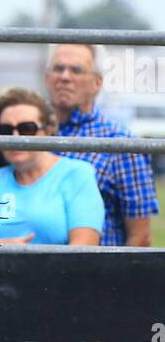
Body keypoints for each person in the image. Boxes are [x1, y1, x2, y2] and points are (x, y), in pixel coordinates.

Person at [46, 42, 158, 246]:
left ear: (97, 82)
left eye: (76, 70)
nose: (64, 76)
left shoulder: (120, 143)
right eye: (58, 68)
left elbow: (140, 236)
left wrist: (119, 277)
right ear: (47, 78)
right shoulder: (30, 132)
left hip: (96, 272)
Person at [0, 87, 104, 245]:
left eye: (27, 129)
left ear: (48, 130)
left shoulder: (77, 173)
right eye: (5, 130)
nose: (15, 137)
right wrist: (2, 248)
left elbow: (84, 249)